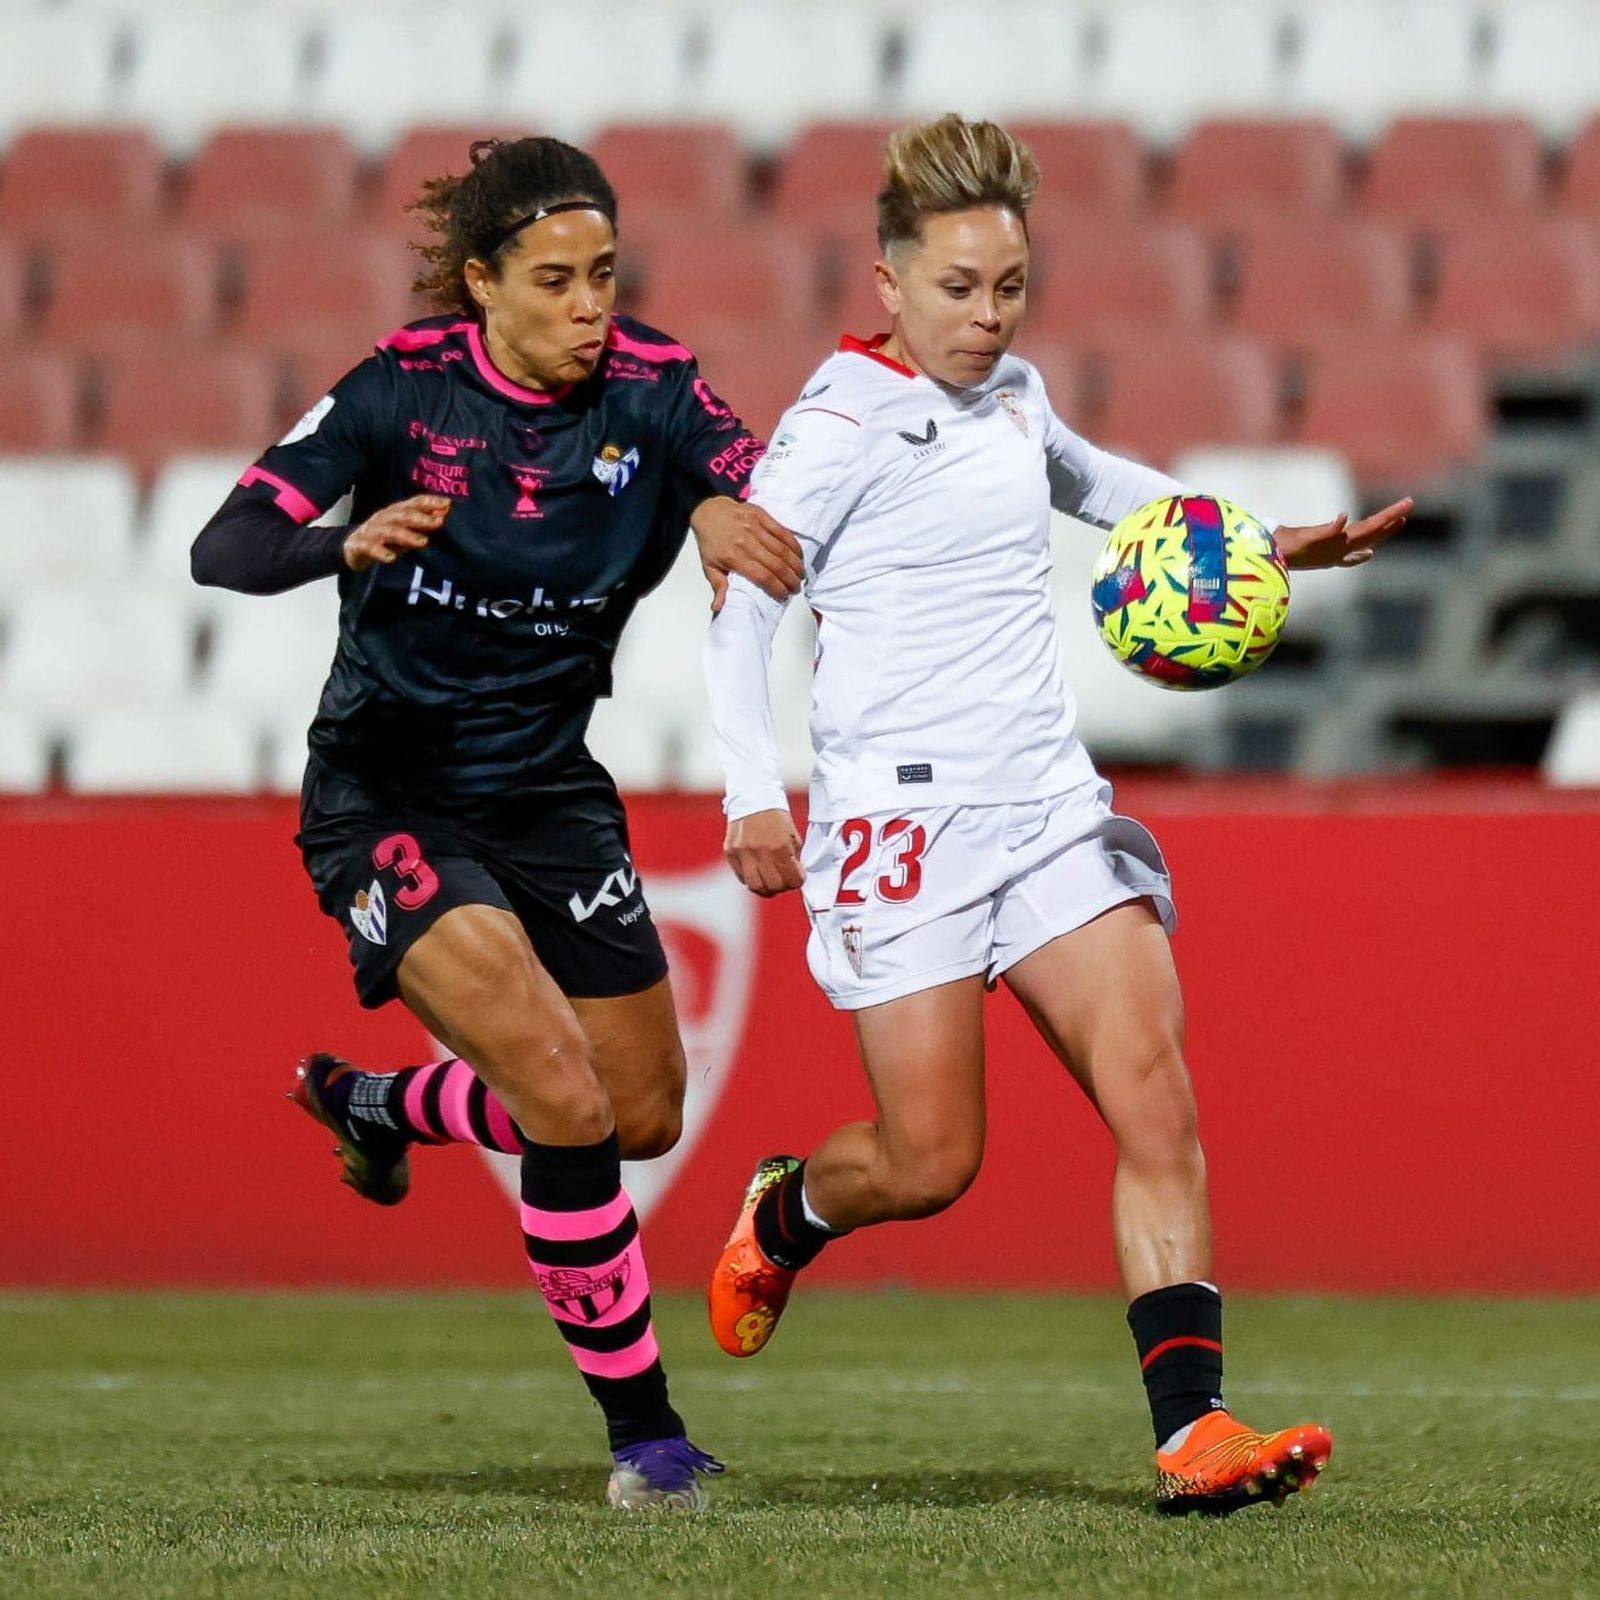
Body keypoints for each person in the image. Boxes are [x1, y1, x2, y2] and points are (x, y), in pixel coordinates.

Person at [698, 114, 1412, 1516]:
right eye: (959, 287)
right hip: (898, 825)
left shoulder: (1014, 394)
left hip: (1042, 805)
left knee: (1156, 1094)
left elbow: (1093, 485)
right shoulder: (833, 430)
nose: (989, 315)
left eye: (1010, 287)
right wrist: (751, 790)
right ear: (889, 281)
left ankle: (1193, 1431)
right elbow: (742, 610)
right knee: (930, 1163)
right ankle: (789, 1211)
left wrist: (1259, 541)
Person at [191, 136, 802, 1511]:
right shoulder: (399, 389)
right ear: (481, 283)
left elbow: (768, 486)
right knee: (562, 1097)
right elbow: (222, 548)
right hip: (386, 797)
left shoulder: (653, 385)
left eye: (604, 275)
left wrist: (720, 502)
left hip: (547, 791)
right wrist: (339, 543)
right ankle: (647, 1441)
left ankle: (374, 1102)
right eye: (554, 280)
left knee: (639, 1116)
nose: (590, 307)